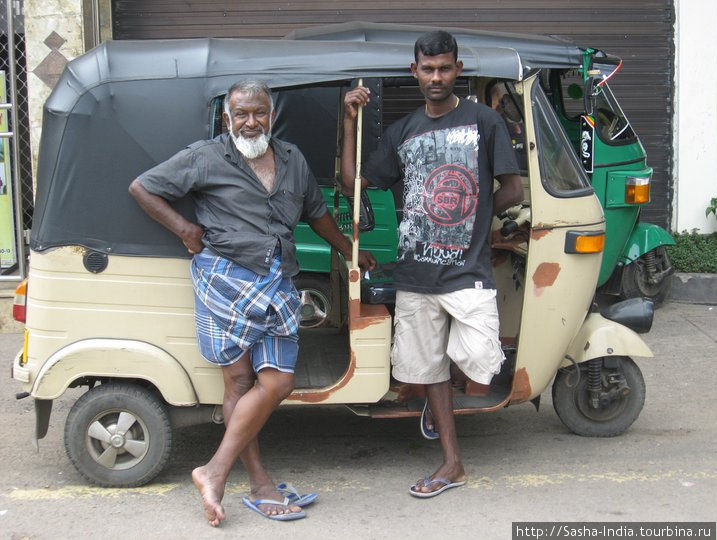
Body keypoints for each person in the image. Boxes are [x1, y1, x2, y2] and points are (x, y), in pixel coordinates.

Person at [129, 80, 375, 525]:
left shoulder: (292, 159)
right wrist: (184, 230)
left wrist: (350, 251)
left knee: (278, 383)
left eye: (258, 113)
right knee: (239, 384)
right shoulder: (205, 156)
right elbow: (142, 188)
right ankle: (259, 483)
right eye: (241, 114)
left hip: (277, 279)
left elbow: (317, 215)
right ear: (227, 118)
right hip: (226, 278)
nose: (250, 122)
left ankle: (214, 471)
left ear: (271, 115)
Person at [341, 31, 523, 498]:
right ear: (415, 72)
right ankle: (452, 463)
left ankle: (438, 415)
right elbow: (351, 185)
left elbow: (512, 190)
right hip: (417, 276)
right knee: (428, 374)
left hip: (467, 273)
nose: (436, 77)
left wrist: (476, 218)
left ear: (457, 70)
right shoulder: (403, 132)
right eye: (428, 69)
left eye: (445, 68)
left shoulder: (483, 121)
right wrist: (348, 121)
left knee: (482, 361)